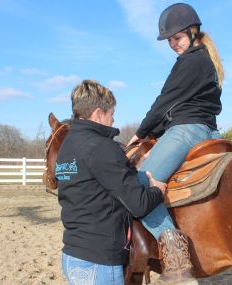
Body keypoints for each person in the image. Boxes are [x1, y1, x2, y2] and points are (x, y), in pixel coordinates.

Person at [127, 3, 224, 284]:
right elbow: (178, 104)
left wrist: (140, 132)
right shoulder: (206, 61)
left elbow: (165, 102)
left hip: (187, 131)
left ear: (193, 33)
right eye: (169, 40)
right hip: (210, 132)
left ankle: (177, 259)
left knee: (139, 186)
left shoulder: (191, 60)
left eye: (176, 38)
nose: (172, 44)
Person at [56, 80, 167, 285]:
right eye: (111, 113)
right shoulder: (101, 146)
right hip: (99, 262)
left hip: (73, 255)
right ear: (98, 113)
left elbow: (93, 183)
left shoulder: (68, 146)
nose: (113, 118)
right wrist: (157, 191)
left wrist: (126, 166)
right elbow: (138, 204)